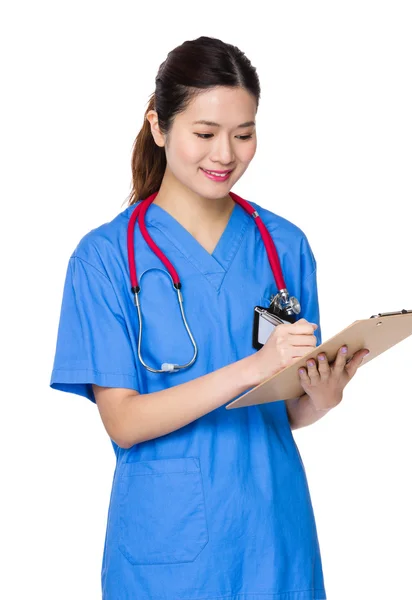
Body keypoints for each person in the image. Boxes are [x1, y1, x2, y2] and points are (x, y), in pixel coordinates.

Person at [50, 35, 368, 600]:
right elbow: (123, 421)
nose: (225, 154)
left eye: (244, 135)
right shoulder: (105, 258)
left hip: (275, 533)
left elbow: (284, 407)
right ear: (158, 126)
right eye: (205, 134)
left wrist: (321, 397)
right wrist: (253, 367)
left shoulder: (282, 245)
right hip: (166, 549)